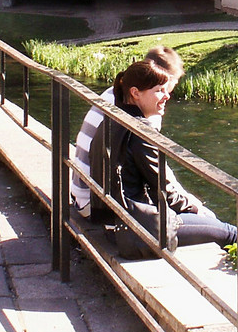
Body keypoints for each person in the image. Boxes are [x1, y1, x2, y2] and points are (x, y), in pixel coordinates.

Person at [100, 56, 237, 249]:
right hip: (138, 224)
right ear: (135, 93)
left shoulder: (113, 116)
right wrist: (197, 209)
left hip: (116, 214)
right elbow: (164, 191)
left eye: (166, 90)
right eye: (159, 91)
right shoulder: (141, 132)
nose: (167, 96)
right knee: (230, 233)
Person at [71, 45, 184, 218]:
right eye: (168, 85)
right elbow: (157, 170)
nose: (168, 94)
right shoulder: (145, 109)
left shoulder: (115, 92)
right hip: (97, 202)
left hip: (81, 190)